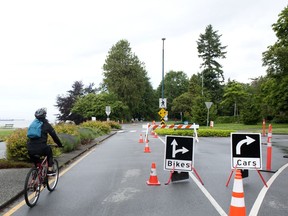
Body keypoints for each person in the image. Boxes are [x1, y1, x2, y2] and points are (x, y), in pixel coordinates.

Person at [27, 108, 63, 176]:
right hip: (42, 147)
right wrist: (60, 144)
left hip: (30, 148)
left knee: (37, 163)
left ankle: (34, 177)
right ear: (45, 116)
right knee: (49, 152)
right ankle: (50, 171)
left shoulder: (32, 125)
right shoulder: (47, 125)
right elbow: (54, 136)